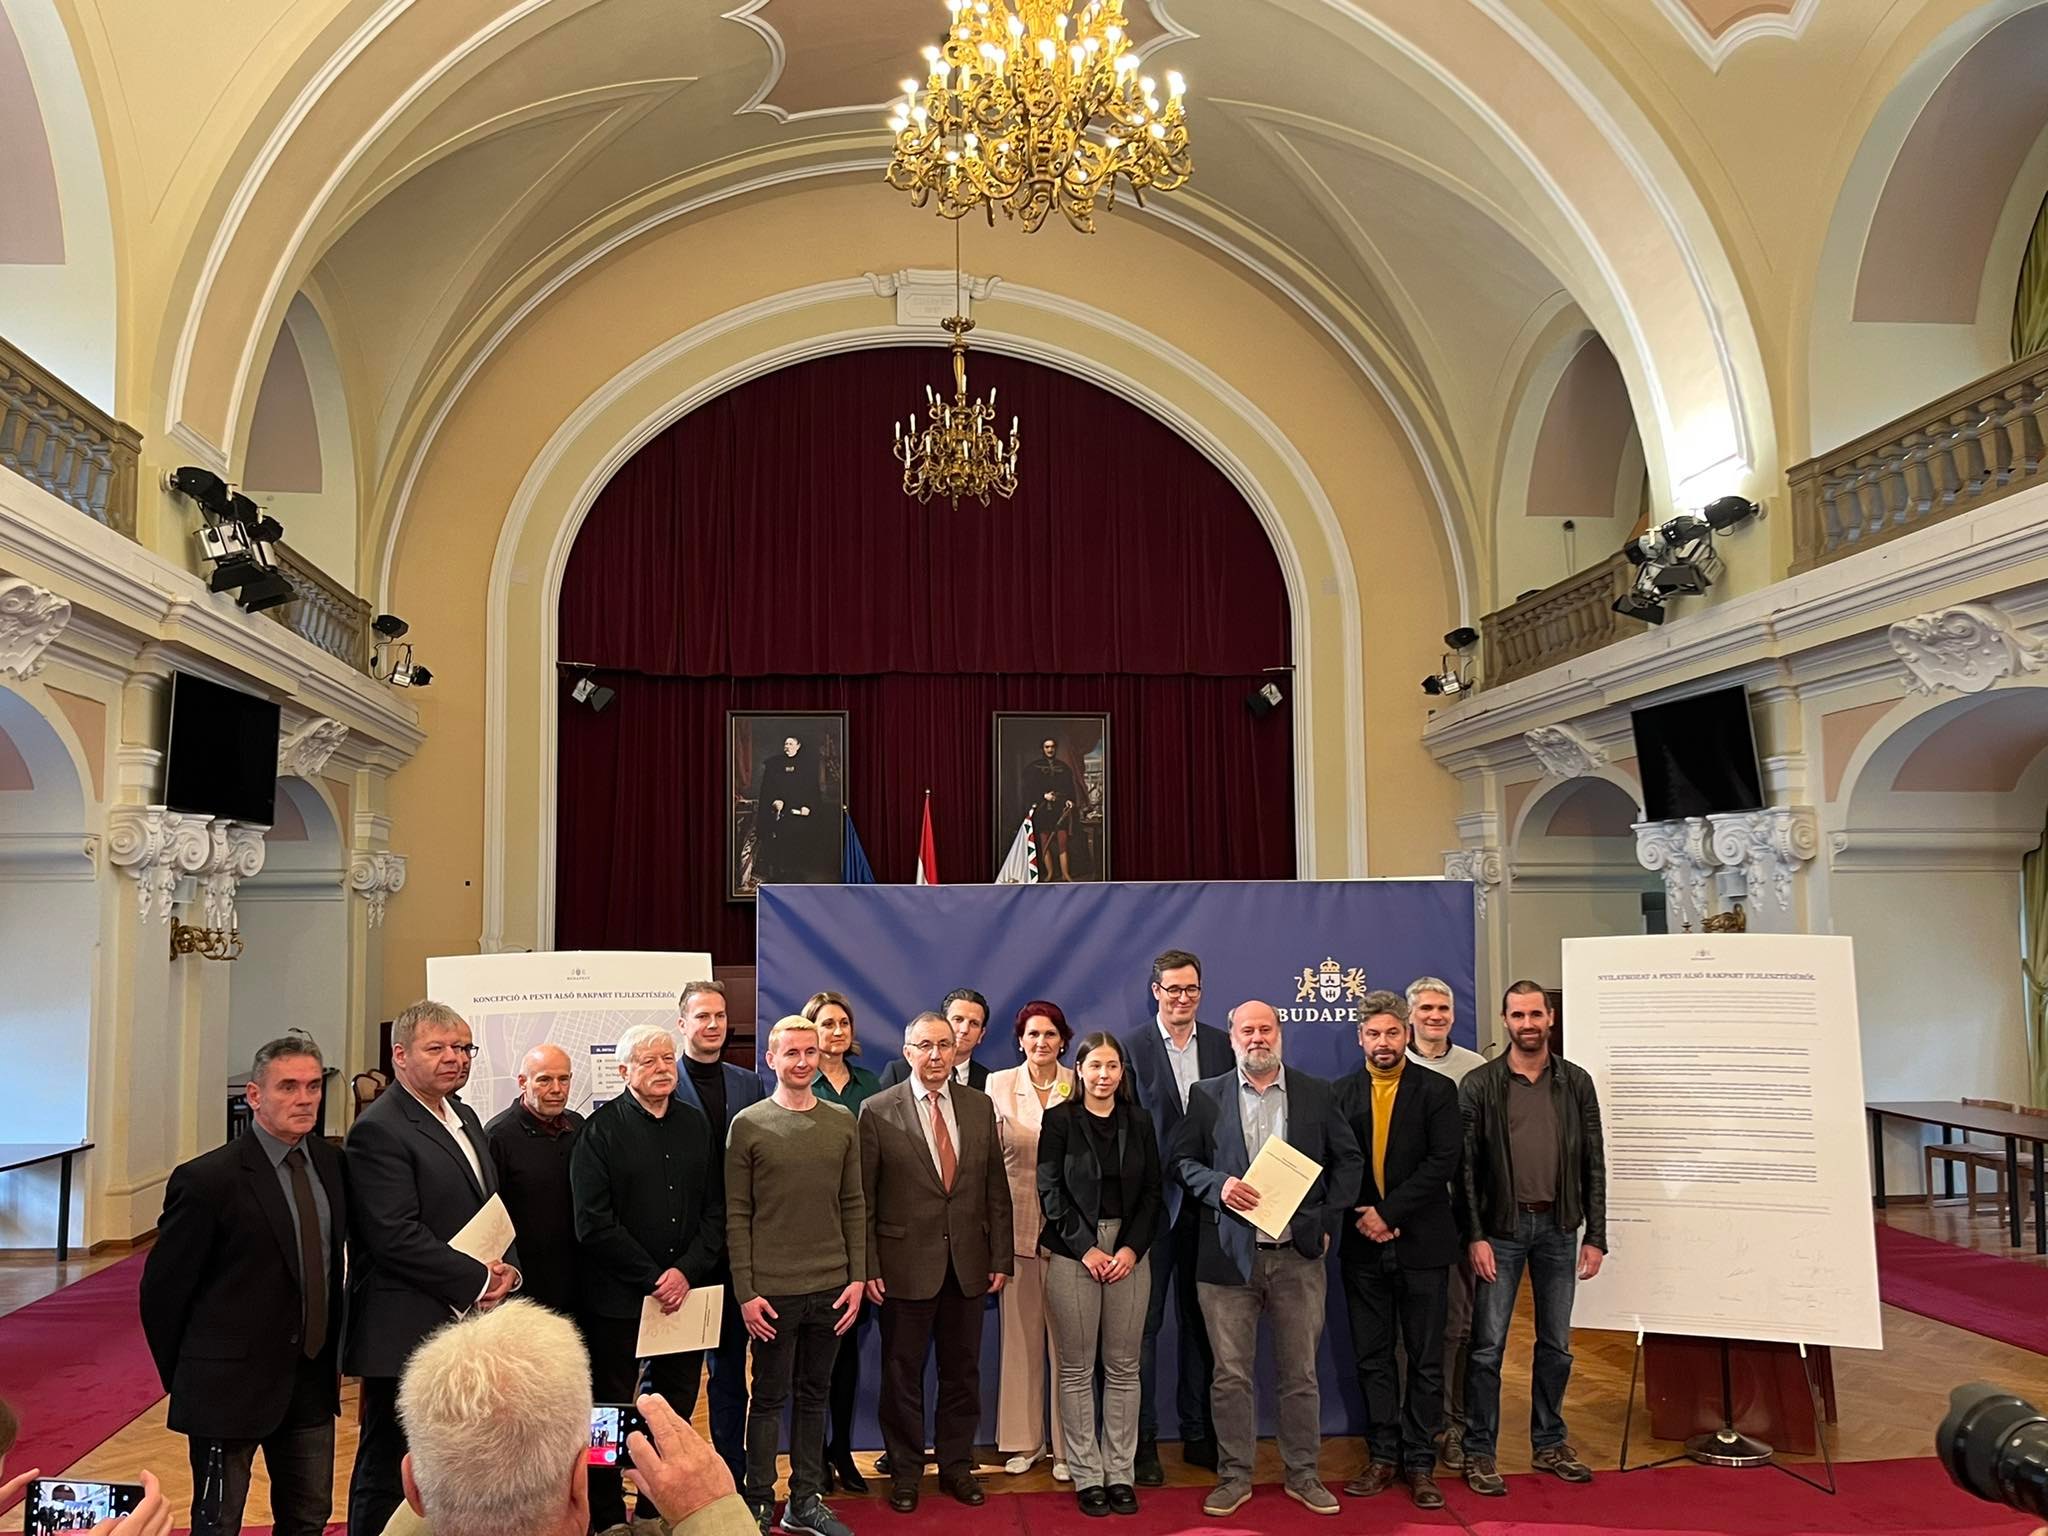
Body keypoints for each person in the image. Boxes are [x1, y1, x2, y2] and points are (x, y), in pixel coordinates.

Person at [140, 1036, 347, 1536]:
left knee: (309, 1517)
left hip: (311, 1379)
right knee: (219, 1523)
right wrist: (191, 1377)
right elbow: (163, 1294)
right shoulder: (208, 1180)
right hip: (227, 1388)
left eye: (313, 1086)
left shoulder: (333, 1164)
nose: (305, 1099)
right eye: (288, 1087)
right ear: (255, 1095)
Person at [1170, 1000, 1362, 1519]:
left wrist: (1325, 1220)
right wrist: (1219, 1185)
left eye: (1266, 1029)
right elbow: (1181, 1162)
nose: (1257, 1038)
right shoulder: (1206, 1095)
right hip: (1227, 1259)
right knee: (1230, 1375)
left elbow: (1348, 1161)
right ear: (1232, 1038)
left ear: (1280, 1033)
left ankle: (1303, 1473)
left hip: (1298, 1257)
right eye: (1247, 1030)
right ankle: (1235, 1475)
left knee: (1300, 1374)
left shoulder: (1316, 1092)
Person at [344, 1002, 519, 1536]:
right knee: (390, 1464)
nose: (455, 1058)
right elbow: (393, 1235)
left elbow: (489, 1206)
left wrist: (508, 1272)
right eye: (438, 1048)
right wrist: (479, 1280)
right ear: (400, 1055)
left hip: (464, 1323)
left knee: (455, 1459)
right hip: (406, 1329)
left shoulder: (463, 1114)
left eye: (463, 1048)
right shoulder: (379, 1129)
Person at [388, 1298, 758, 1536]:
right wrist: (712, 1513)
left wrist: (450, 1481)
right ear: (579, 1485)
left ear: (412, 1485)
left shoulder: (417, 1491)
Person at [571, 1022, 726, 1530]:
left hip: (686, 1297)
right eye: (648, 1061)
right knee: (608, 1411)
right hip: (618, 1299)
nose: (662, 1068)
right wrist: (654, 1278)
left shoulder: (696, 1125)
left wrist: (684, 1272)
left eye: (666, 1058)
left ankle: (657, 1510)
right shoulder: (599, 1132)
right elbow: (592, 1223)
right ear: (623, 1071)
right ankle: (606, 1516)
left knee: (675, 1405)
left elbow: (716, 1211)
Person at [1458, 981, 1608, 1497]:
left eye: (1536, 1014)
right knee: (1487, 1348)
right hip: (1499, 1231)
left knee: (1557, 1345)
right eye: (1518, 1015)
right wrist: (1475, 1235)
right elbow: (1466, 1170)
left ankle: (1549, 1442)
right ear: (1505, 1020)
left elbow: (1593, 1162)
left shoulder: (1576, 1082)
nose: (1528, 1024)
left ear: (1550, 1018)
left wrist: (1596, 1235)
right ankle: (1480, 1450)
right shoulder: (1479, 1084)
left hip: (1560, 1229)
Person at [858, 1011, 1012, 1512]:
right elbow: (864, 1199)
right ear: (908, 1053)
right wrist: (869, 1265)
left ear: (956, 1050)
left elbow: (995, 1188)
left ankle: (956, 1467)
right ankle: (905, 1472)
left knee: (962, 1373)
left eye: (944, 1045)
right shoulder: (877, 1110)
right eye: (925, 1046)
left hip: (968, 1264)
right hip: (902, 1267)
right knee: (901, 1374)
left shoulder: (978, 1105)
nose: (936, 1055)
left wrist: (1000, 1255)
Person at [727, 1017, 867, 1536]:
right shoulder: (747, 1125)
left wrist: (858, 1277)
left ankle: (805, 1500)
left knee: (815, 1395)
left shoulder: (841, 1122)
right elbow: (737, 1213)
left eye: (810, 1052)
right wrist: (746, 1291)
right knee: (767, 1399)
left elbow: (853, 1202)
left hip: (832, 1289)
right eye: (791, 1053)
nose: (803, 1061)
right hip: (772, 1294)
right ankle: (759, 1501)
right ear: (771, 1060)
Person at [1332, 992, 1460, 1510]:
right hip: (1362, 1244)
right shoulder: (1339, 1094)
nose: (1382, 1043)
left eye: (1391, 1033)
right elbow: (1335, 1164)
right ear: (1359, 1039)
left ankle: (1420, 1462)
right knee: (1373, 1357)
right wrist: (1365, 1216)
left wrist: (1389, 1213)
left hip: (1423, 1243)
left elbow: (1443, 1161)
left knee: (1426, 1360)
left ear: (1406, 1033)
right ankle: (1383, 1456)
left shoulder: (1438, 1090)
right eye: (1373, 1034)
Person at [1119, 948, 1233, 1485]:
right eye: (1173, 989)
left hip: (1212, 1208)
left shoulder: (1223, 1044)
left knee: (1204, 1324)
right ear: (1156, 992)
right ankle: (1142, 1443)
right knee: (1142, 1330)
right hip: (1151, 1209)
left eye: (1191, 989)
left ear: (1200, 992)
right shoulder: (1130, 1048)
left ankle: (1199, 1433)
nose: (1182, 998)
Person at [1037, 1033, 1163, 1518]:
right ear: (1080, 1070)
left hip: (1130, 1250)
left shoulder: (1140, 1121)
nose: (1104, 1075)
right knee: (1075, 1369)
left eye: (1112, 1066)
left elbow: (1153, 1192)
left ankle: (1120, 1472)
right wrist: (1086, 1249)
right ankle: (1088, 1474)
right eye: (1095, 1066)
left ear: (1121, 1072)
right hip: (1075, 1253)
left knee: (1124, 1367)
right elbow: (1050, 1191)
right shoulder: (1059, 1120)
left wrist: (1130, 1249)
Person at [670, 981, 766, 1487]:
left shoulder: (749, 1084)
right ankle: (669, 1482)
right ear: (682, 1023)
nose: (713, 1024)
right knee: (672, 1379)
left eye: (720, 1016)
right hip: (683, 1256)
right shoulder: (664, 1081)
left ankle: (731, 1476)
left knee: (731, 1375)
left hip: (737, 1253)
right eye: (703, 1015)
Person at [987, 1002, 1077, 1481]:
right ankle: (1026, 1442)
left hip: (1071, 1236)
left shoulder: (1079, 1083)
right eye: (1032, 1034)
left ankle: (1067, 1447)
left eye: (1050, 1034)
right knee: (1020, 1342)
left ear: (1063, 1040)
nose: (1041, 1042)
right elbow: (989, 1162)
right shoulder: (998, 1084)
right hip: (1017, 1230)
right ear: (1020, 1040)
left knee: (1069, 1346)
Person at [1401, 976, 1485, 1473]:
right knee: (1405, 1334)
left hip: (1456, 1219)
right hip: (1401, 1222)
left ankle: (1452, 1426)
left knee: (1457, 1328)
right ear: (1410, 1015)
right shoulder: (1390, 1063)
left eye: (1443, 1008)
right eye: (1426, 1008)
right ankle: (1406, 1427)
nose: (1435, 1016)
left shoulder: (1474, 1070)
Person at [803, 990, 883, 1494]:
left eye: (843, 1024)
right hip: (808, 1233)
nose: (836, 1032)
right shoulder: (796, 1080)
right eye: (826, 1024)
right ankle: (811, 1455)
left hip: (858, 1229)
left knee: (847, 1352)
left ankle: (842, 1450)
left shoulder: (871, 1084)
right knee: (809, 1359)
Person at [484, 1044, 584, 1319]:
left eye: (563, 1079)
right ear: (522, 1083)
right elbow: (491, 1214)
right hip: (527, 1283)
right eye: (544, 1080)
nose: (556, 1089)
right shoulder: (497, 1136)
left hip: (579, 1278)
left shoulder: (578, 1125)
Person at [877, 988, 991, 1091]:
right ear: (942, 1023)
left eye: (974, 1023)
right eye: (958, 1019)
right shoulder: (898, 1072)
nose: (964, 1029)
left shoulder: (990, 1081)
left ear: (981, 1034)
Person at [751, 733, 823, 885]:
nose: (787, 747)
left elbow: (812, 789)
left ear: (798, 746)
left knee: (797, 841)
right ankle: (778, 873)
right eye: (785, 744)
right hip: (779, 812)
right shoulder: (774, 764)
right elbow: (767, 789)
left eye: (790, 744)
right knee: (777, 841)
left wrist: (808, 806)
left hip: (798, 812)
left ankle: (795, 873)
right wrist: (774, 801)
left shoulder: (807, 765)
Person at [1017, 738, 1081, 883]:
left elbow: (1070, 789)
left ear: (1055, 748)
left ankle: (1065, 874)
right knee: (1045, 842)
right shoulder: (1033, 768)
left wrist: (1069, 800)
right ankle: (1050, 874)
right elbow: (1028, 790)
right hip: (1043, 810)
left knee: (1062, 841)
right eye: (1047, 747)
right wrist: (1043, 796)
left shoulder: (1064, 767)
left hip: (1060, 809)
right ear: (1042, 749)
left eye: (1052, 747)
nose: (1050, 750)